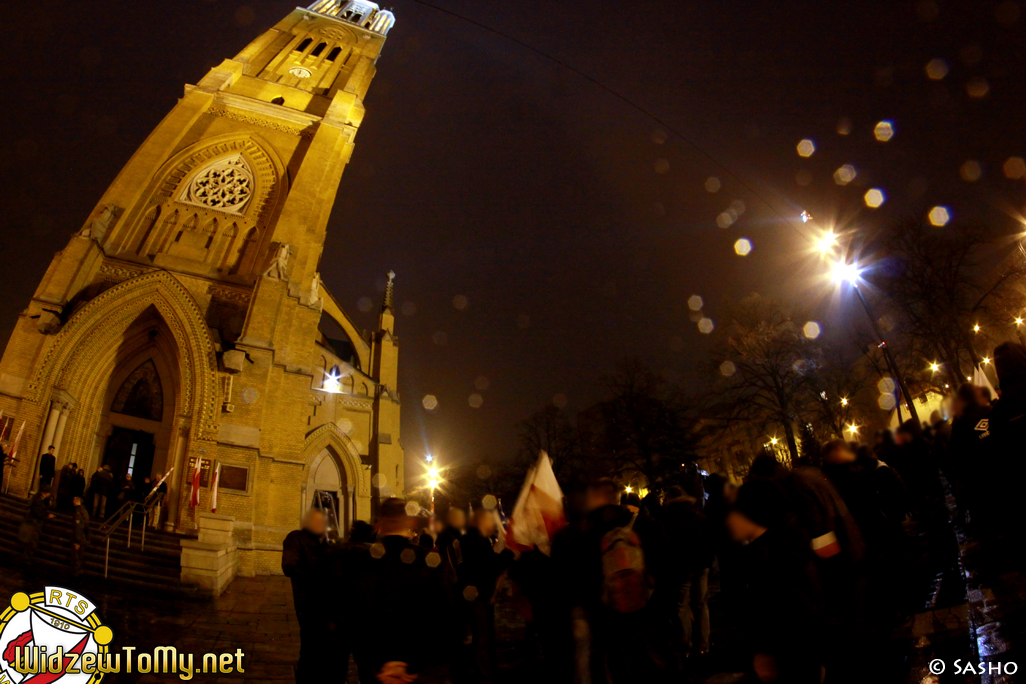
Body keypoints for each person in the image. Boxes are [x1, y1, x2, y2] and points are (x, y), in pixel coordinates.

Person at [727, 480, 826, 683]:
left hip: (791, 651)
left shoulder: (777, 555)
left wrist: (767, 651)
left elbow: (791, 606)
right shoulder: (775, 545)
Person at [350, 499, 455, 684]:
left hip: (379, 672)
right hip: (419, 672)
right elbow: (449, 619)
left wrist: (381, 666)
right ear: (410, 522)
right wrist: (412, 665)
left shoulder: (363, 563)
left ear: (379, 524)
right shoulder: (431, 561)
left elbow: (356, 620)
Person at [458, 503, 515, 683]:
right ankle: (485, 676)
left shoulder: (473, 539)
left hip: (478, 595)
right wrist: (507, 555)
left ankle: (486, 672)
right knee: (483, 639)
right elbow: (487, 567)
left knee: (484, 638)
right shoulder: (475, 541)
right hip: (478, 598)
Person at [662, 485, 713, 659]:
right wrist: (707, 562)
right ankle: (704, 644)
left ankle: (686, 645)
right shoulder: (698, 517)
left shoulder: (668, 520)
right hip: (701, 565)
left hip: (682, 569)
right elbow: (709, 540)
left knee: (681, 607)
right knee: (701, 605)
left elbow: (669, 547)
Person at [282, 509, 330, 683]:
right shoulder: (295, 538)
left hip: (324, 603)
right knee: (310, 647)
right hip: (307, 602)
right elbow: (289, 566)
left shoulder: (322, 543)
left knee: (323, 648)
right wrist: (315, 579)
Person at [19, 486, 55, 566]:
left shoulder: (39, 499)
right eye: (48, 493)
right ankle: (26, 559)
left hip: (34, 523)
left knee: (31, 542)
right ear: (45, 493)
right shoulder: (38, 501)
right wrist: (47, 516)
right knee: (32, 543)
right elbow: (39, 513)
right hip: (35, 524)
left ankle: (26, 558)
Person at [72, 496, 90, 576]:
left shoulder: (78, 512)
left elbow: (78, 527)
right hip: (83, 538)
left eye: (74, 499)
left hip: (80, 538)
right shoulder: (84, 511)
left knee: (76, 559)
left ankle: (76, 576)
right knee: (80, 558)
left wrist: (77, 541)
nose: (73, 501)